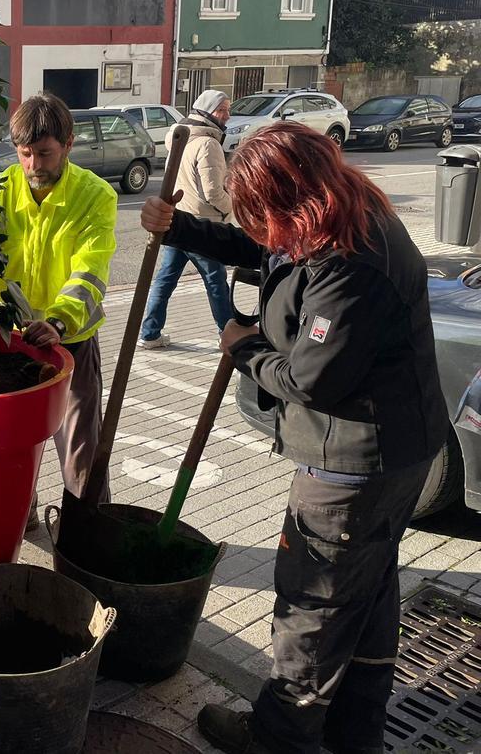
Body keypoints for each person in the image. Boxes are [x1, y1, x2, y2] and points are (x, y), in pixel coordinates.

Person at [140, 122, 448, 754]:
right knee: (366, 593)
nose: (258, 228)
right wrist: (181, 228)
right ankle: (352, 731)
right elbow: (263, 249)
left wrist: (243, 346)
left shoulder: (351, 264)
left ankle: (278, 736)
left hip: (355, 466)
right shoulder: (332, 217)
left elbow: (310, 380)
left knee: (314, 602)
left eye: (261, 212)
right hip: (395, 452)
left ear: (293, 199)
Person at [0, 93, 118, 513]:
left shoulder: (95, 196)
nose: (34, 165)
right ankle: (19, 515)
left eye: (45, 153)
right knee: (10, 442)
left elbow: (90, 270)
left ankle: (86, 531)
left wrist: (60, 323)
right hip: (8, 341)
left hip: (71, 341)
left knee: (81, 448)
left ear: (68, 145)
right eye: (25, 153)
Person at [139, 89, 234, 348]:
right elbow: (213, 192)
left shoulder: (179, 138)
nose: (227, 115)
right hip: (203, 225)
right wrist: (231, 207)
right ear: (207, 112)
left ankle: (150, 334)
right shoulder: (208, 144)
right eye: (222, 110)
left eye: (228, 109)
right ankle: (229, 335)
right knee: (216, 282)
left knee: (165, 279)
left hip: (177, 221)